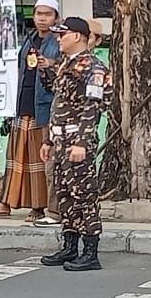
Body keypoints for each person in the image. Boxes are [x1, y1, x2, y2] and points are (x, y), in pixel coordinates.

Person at [0, 0, 61, 228]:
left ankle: (38, 205)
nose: (42, 19)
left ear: (56, 17)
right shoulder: (29, 39)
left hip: (43, 106)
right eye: (39, 14)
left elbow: (63, 71)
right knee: (16, 158)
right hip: (22, 103)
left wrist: (50, 64)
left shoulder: (58, 42)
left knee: (38, 159)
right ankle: (6, 202)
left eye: (48, 14)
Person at [39, 17, 113, 271]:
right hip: (60, 139)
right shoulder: (64, 66)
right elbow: (58, 104)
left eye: (63, 34)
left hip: (77, 140)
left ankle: (90, 251)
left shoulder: (93, 68)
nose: (58, 39)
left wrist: (82, 142)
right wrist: (49, 139)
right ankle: (70, 246)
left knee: (84, 195)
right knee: (64, 194)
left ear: (78, 37)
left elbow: (91, 108)